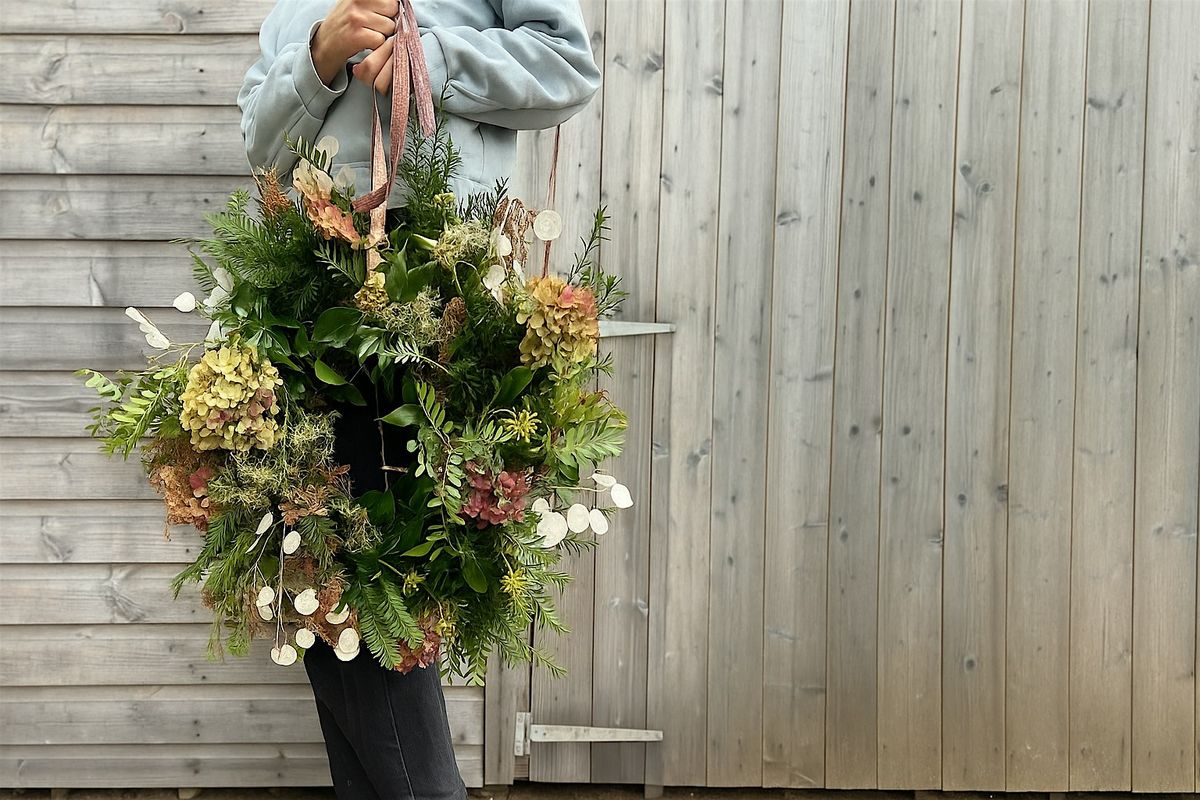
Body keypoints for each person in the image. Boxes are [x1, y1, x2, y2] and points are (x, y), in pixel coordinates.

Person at [236, 2, 601, 797]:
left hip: (439, 285)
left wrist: (428, 57)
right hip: (307, 293)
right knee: (324, 587)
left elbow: (568, 65)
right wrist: (317, 57)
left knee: (374, 587)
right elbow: (260, 143)